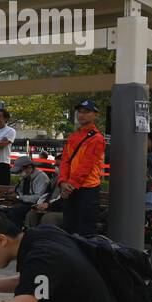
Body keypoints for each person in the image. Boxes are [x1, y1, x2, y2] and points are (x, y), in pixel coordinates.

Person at [57, 99, 105, 237]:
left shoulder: (97, 138)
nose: (81, 115)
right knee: (69, 227)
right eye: (80, 112)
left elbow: (87, 165)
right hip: (71, 188)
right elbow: (65, 160)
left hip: (87, 189)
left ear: (95, 115)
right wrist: (62, 182)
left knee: (86, 230)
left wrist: (68, 185)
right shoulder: (73, 136)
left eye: (86, 112)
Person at [4, 156, 52, 229]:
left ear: (29, 167)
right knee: (4, 211)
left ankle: (17, 235)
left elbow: (37, 198)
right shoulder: (25, 177)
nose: (19, 173)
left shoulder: (41, 177)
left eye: (20, 171)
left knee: (14, 213)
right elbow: (20, 191)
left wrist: (18, 197)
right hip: (24, 204)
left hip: (36, 206)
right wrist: (15, 193)